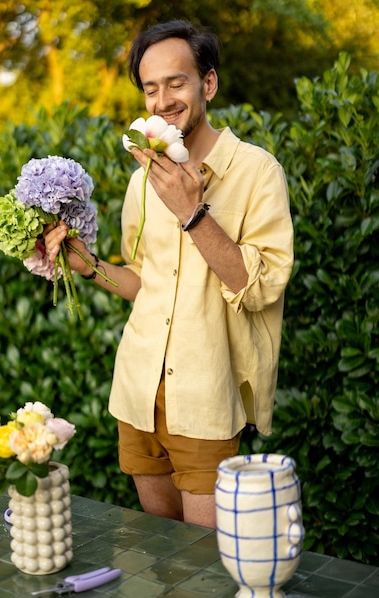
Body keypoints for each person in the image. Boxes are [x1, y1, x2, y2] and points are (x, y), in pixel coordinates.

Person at [44, 20, 294, 528]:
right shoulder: (141, 180)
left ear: (208, 84)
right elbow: (143, 280)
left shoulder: (257, 171)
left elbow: (262, 286)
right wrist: (83, 263)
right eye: (150, 88)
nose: (162, 100)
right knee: (161, 561)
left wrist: (192, 212)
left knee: (205, 571)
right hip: (137, 390)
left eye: (176, 82)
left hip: (206, 397)